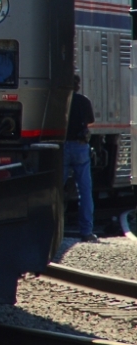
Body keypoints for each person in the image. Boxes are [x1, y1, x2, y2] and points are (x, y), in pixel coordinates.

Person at [64, 74, 97, 242]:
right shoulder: (84, 101)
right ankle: (86, 232)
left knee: (56, 190)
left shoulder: (60, 101)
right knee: (85, 191)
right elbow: (91, 121)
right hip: (80, 147)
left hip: (61, 147)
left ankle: (53, 229)